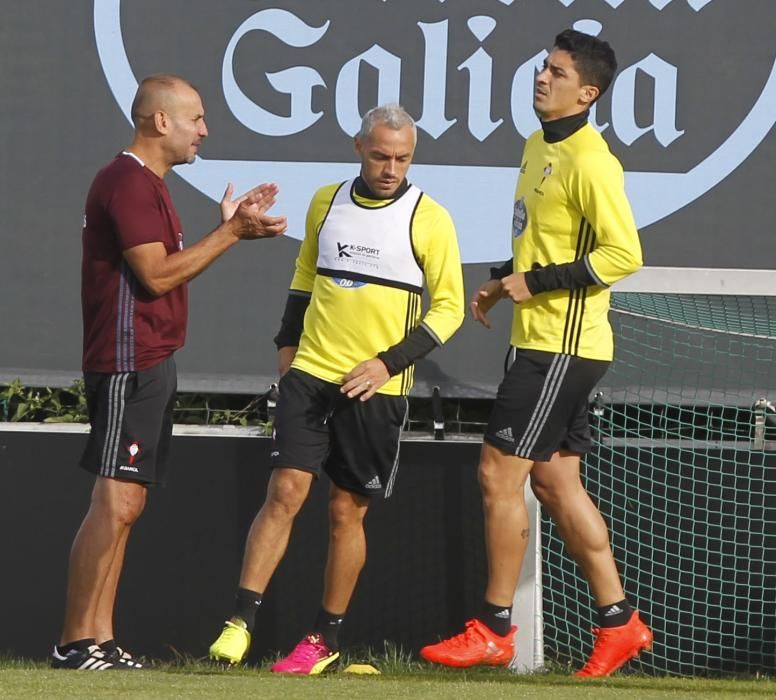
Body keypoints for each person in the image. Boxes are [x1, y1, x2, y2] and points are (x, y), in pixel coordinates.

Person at [419, 29, 652, 677]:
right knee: (554, 480)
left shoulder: (591, 159)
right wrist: (503, 278)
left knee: (499, 473)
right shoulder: (536, 145)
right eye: (541, 68)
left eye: (556, 72)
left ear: (588, 92)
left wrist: (536, 283)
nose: (541, 78)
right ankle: (620, 622)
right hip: (541, 339)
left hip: (563, 346)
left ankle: (494, 627)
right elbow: (542, 247)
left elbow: (623, 254)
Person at [208, 103, 465, 673]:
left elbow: (449, 311)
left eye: (402, 158)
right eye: (380, 155)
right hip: (311, 375)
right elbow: (305, 276)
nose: (391, 168)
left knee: (346, 514)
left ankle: (322, 642)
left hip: (376, 390)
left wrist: (386, 363)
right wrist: (285, 344)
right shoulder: (326, 201)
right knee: (284, 493)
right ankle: (239, 623)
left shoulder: (431, 218)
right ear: (358, 149)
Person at [51, 74, 287, 671]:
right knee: (113, 501)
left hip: (151, 361)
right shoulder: (126, 182)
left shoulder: (150, 185)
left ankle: (100, 639)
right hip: (127, 361)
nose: (204, 130)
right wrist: (230, 232)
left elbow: (168, 269)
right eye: (196, 119)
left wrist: (232, 231)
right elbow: (156, 276)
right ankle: (74, 642)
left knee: (127, 506)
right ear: (161, 121)